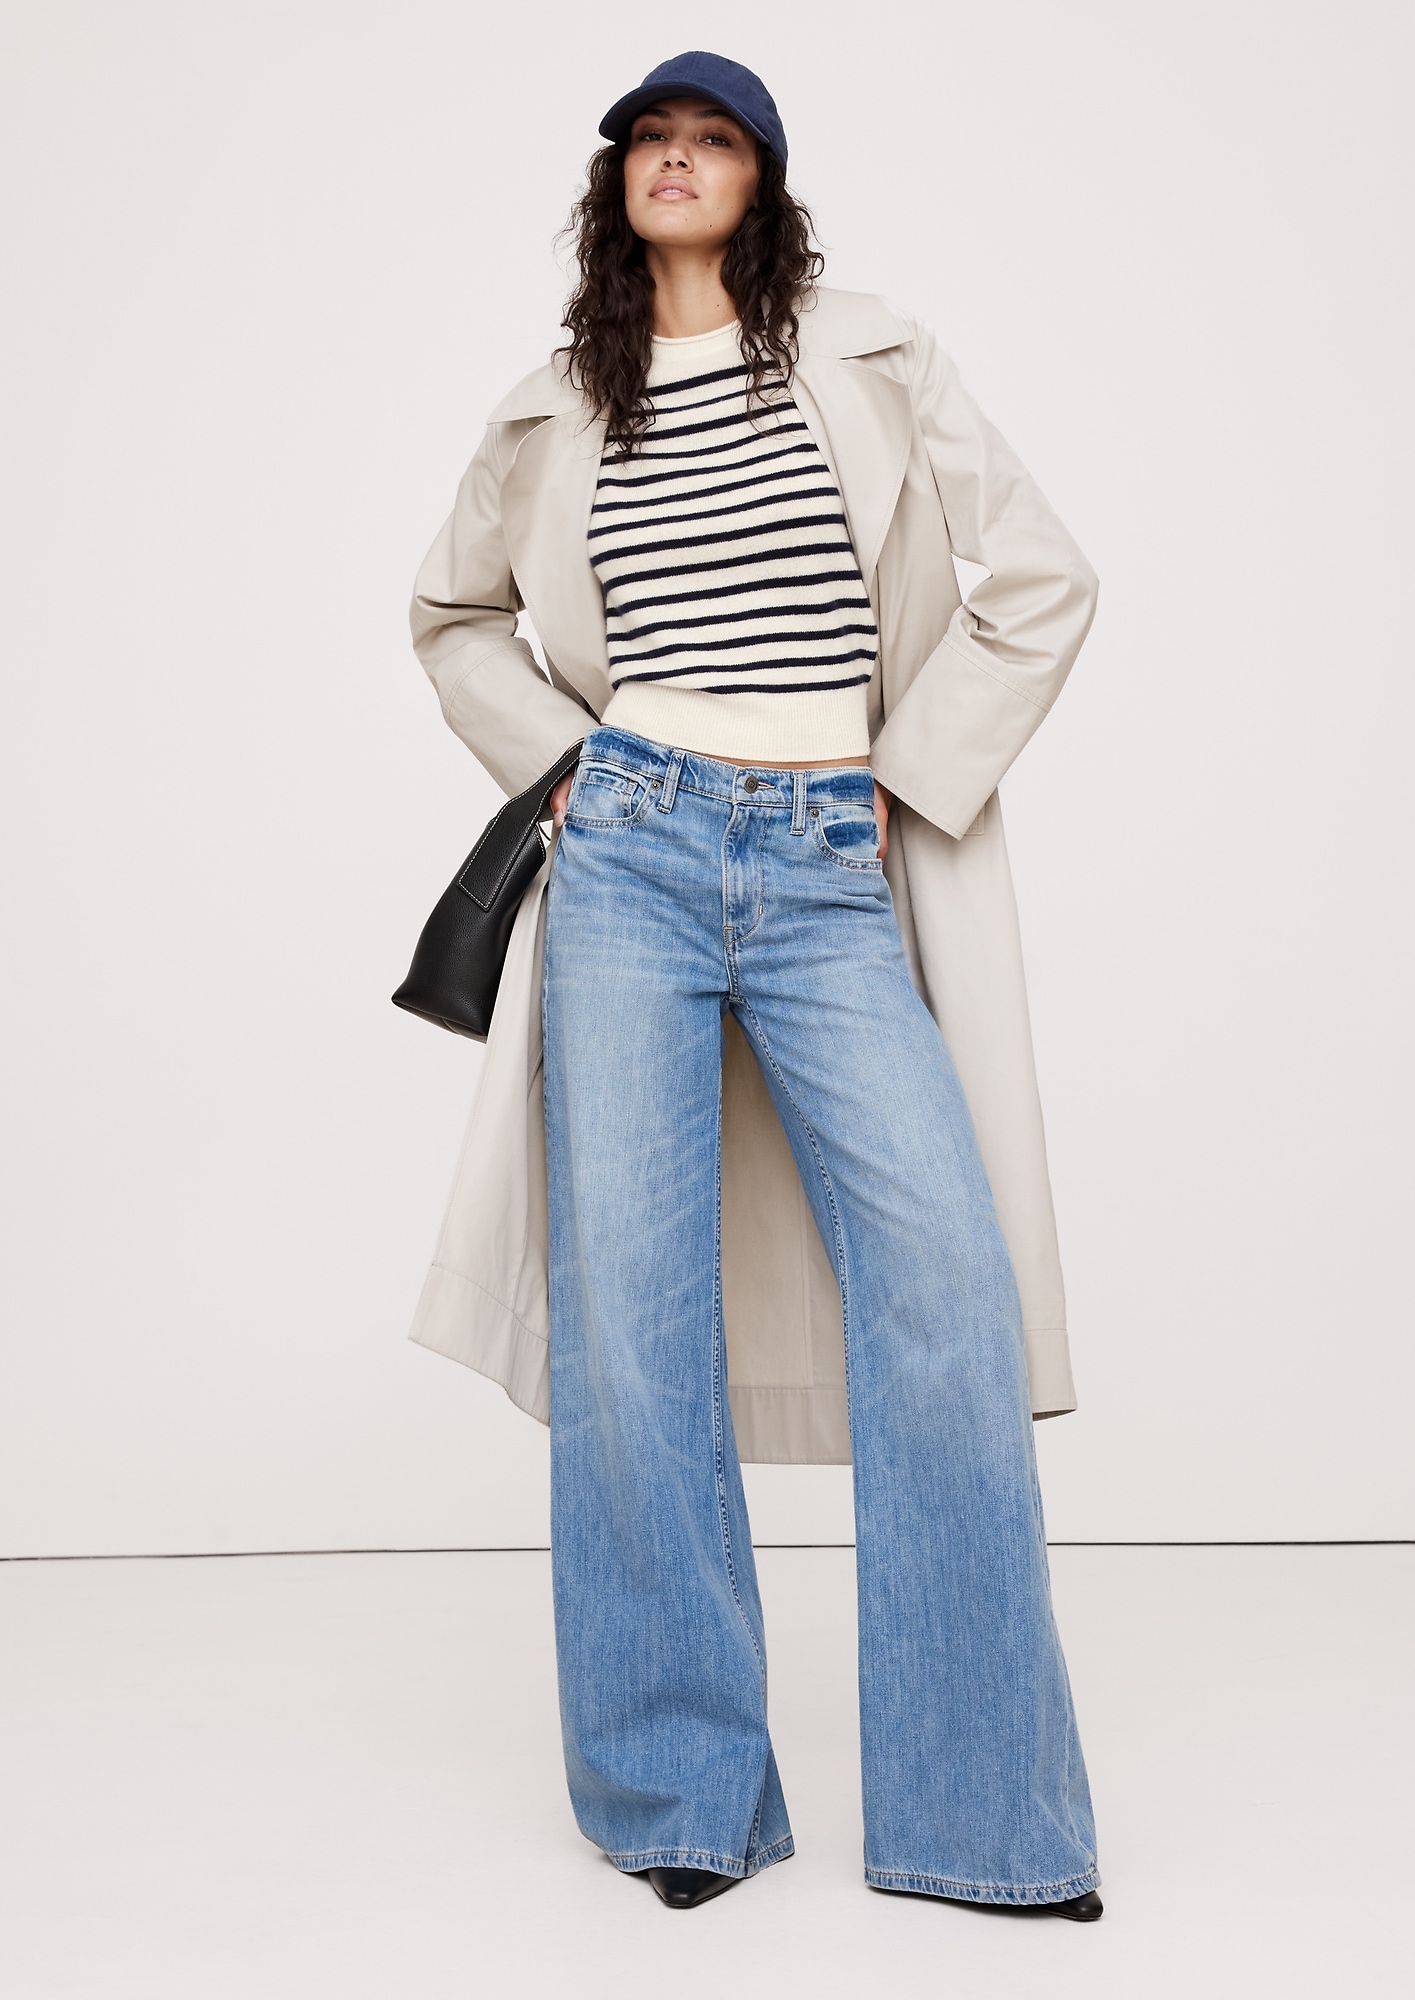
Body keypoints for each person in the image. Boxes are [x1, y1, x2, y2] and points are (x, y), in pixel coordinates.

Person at [408, 51, 1103, 1918]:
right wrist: (562, 764)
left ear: (763, 182)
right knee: (633, 1322)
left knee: (947, 1289)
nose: (677, 159)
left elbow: (1041, 577)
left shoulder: (873, 356)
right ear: (616, 183)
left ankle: (986, 1821)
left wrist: (906, 778)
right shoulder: (555, 404)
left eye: (712, 139)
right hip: (629, 852)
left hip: (824, 860)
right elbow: (452, 615)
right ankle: (681, 1796)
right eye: (651, 139)